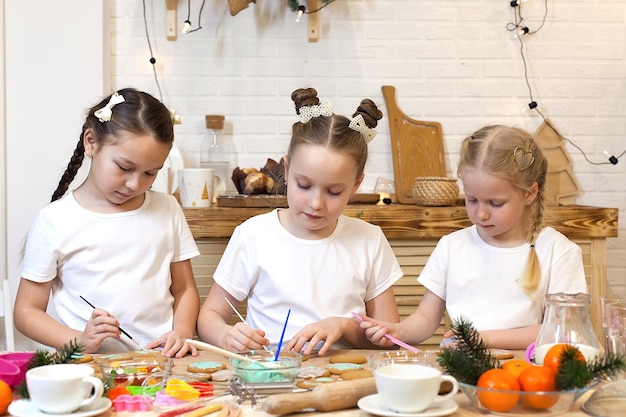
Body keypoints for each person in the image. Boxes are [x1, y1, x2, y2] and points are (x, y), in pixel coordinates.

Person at [197, 87, 403, 356]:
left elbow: (389, 336)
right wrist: (226, 336)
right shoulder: (253, 235)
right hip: (270, 374)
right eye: (304, 185)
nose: (316, 203)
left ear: (356, 184)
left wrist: (342, 326)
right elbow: (208, 317)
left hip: (345, 377)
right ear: (286, 169)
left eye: (333, 191)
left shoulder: (369, 239)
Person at [360, 125, 587, 350]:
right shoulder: (451, 246)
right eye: (472, 199)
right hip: (463, 369)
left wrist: (481, 339)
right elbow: (426, 319)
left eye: (496, 203)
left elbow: (560, 330)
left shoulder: (559, 251)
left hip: (527, 375)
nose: (481, 214)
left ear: (530, 193)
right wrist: (397, 330)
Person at [14, 88, 201, 357]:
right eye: (124, 167)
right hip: (91, 367)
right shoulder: (55, 220)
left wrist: (181, 334)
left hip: (161, 363)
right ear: (91, 143)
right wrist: (80, 340)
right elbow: (26, 312)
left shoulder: (167, 208)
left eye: (150, 173)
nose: (135, 184)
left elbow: (184, 289)